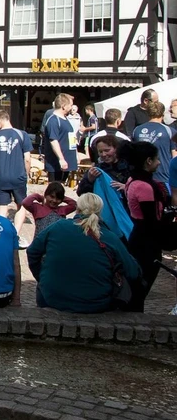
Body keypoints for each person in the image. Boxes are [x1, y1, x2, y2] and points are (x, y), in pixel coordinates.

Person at [26, 192, 141, 313]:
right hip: (96, 303)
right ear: (100, 212)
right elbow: (133, 272)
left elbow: (32, 251)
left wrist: (41, 275)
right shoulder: (109, 237)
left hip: (52, 298)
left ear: (78, 209)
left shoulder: (58, 227)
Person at [119, 139, 167, 311]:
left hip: (139, 236)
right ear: (148, 161)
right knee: (140, 287)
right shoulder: (144, 186)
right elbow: (151, 219)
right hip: (146, 242)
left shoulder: (132, 180)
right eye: (156, 159)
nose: (159, 162)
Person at [0, 109, 31, 217]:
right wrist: (26, 174)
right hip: (19, 176)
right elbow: (27, 159)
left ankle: (2, 232)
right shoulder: (22, 134)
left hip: (1, 178)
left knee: (1, 206)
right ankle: (16, 231)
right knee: (21, 205)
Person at [131, 100, 173, 192]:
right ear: (163, 113)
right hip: (163, 178)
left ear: (147, 112)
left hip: (140, 178)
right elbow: (175, 156)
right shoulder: (170, 131)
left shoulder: (137, 130)